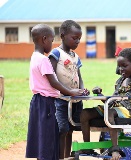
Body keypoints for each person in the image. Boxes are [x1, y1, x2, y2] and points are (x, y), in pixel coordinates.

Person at [80, 48, 131, 160]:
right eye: (119, 66)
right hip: (115, 108)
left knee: (109, 113)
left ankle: (115, 149)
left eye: (124, 66)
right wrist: (100, 94)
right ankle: (87, 147)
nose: (121, 69)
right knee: (85, 113)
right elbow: (113, 100)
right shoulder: (120, 81)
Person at [26, 24, 83, 160]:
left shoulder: (34, 57)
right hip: (47, 103)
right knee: (49, 136)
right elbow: (54, 82)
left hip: (37, 102)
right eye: (51, 40)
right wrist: (71, 92)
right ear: (44, 39)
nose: (52, 44)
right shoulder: (45, 60)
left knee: (41, 135)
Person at [48, 20, 86, 160]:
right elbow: (51, 76)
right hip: (61, 99)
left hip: (75, 99)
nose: (77, 41)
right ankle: (59, 157)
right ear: (63, 36)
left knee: (71, 129)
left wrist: (82, 90)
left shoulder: (75, 56)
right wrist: (68, 91)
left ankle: (66, 156)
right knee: (62, 129)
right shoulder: (56, 53)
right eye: (74, 38)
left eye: (79, 39)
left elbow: (79, 76)